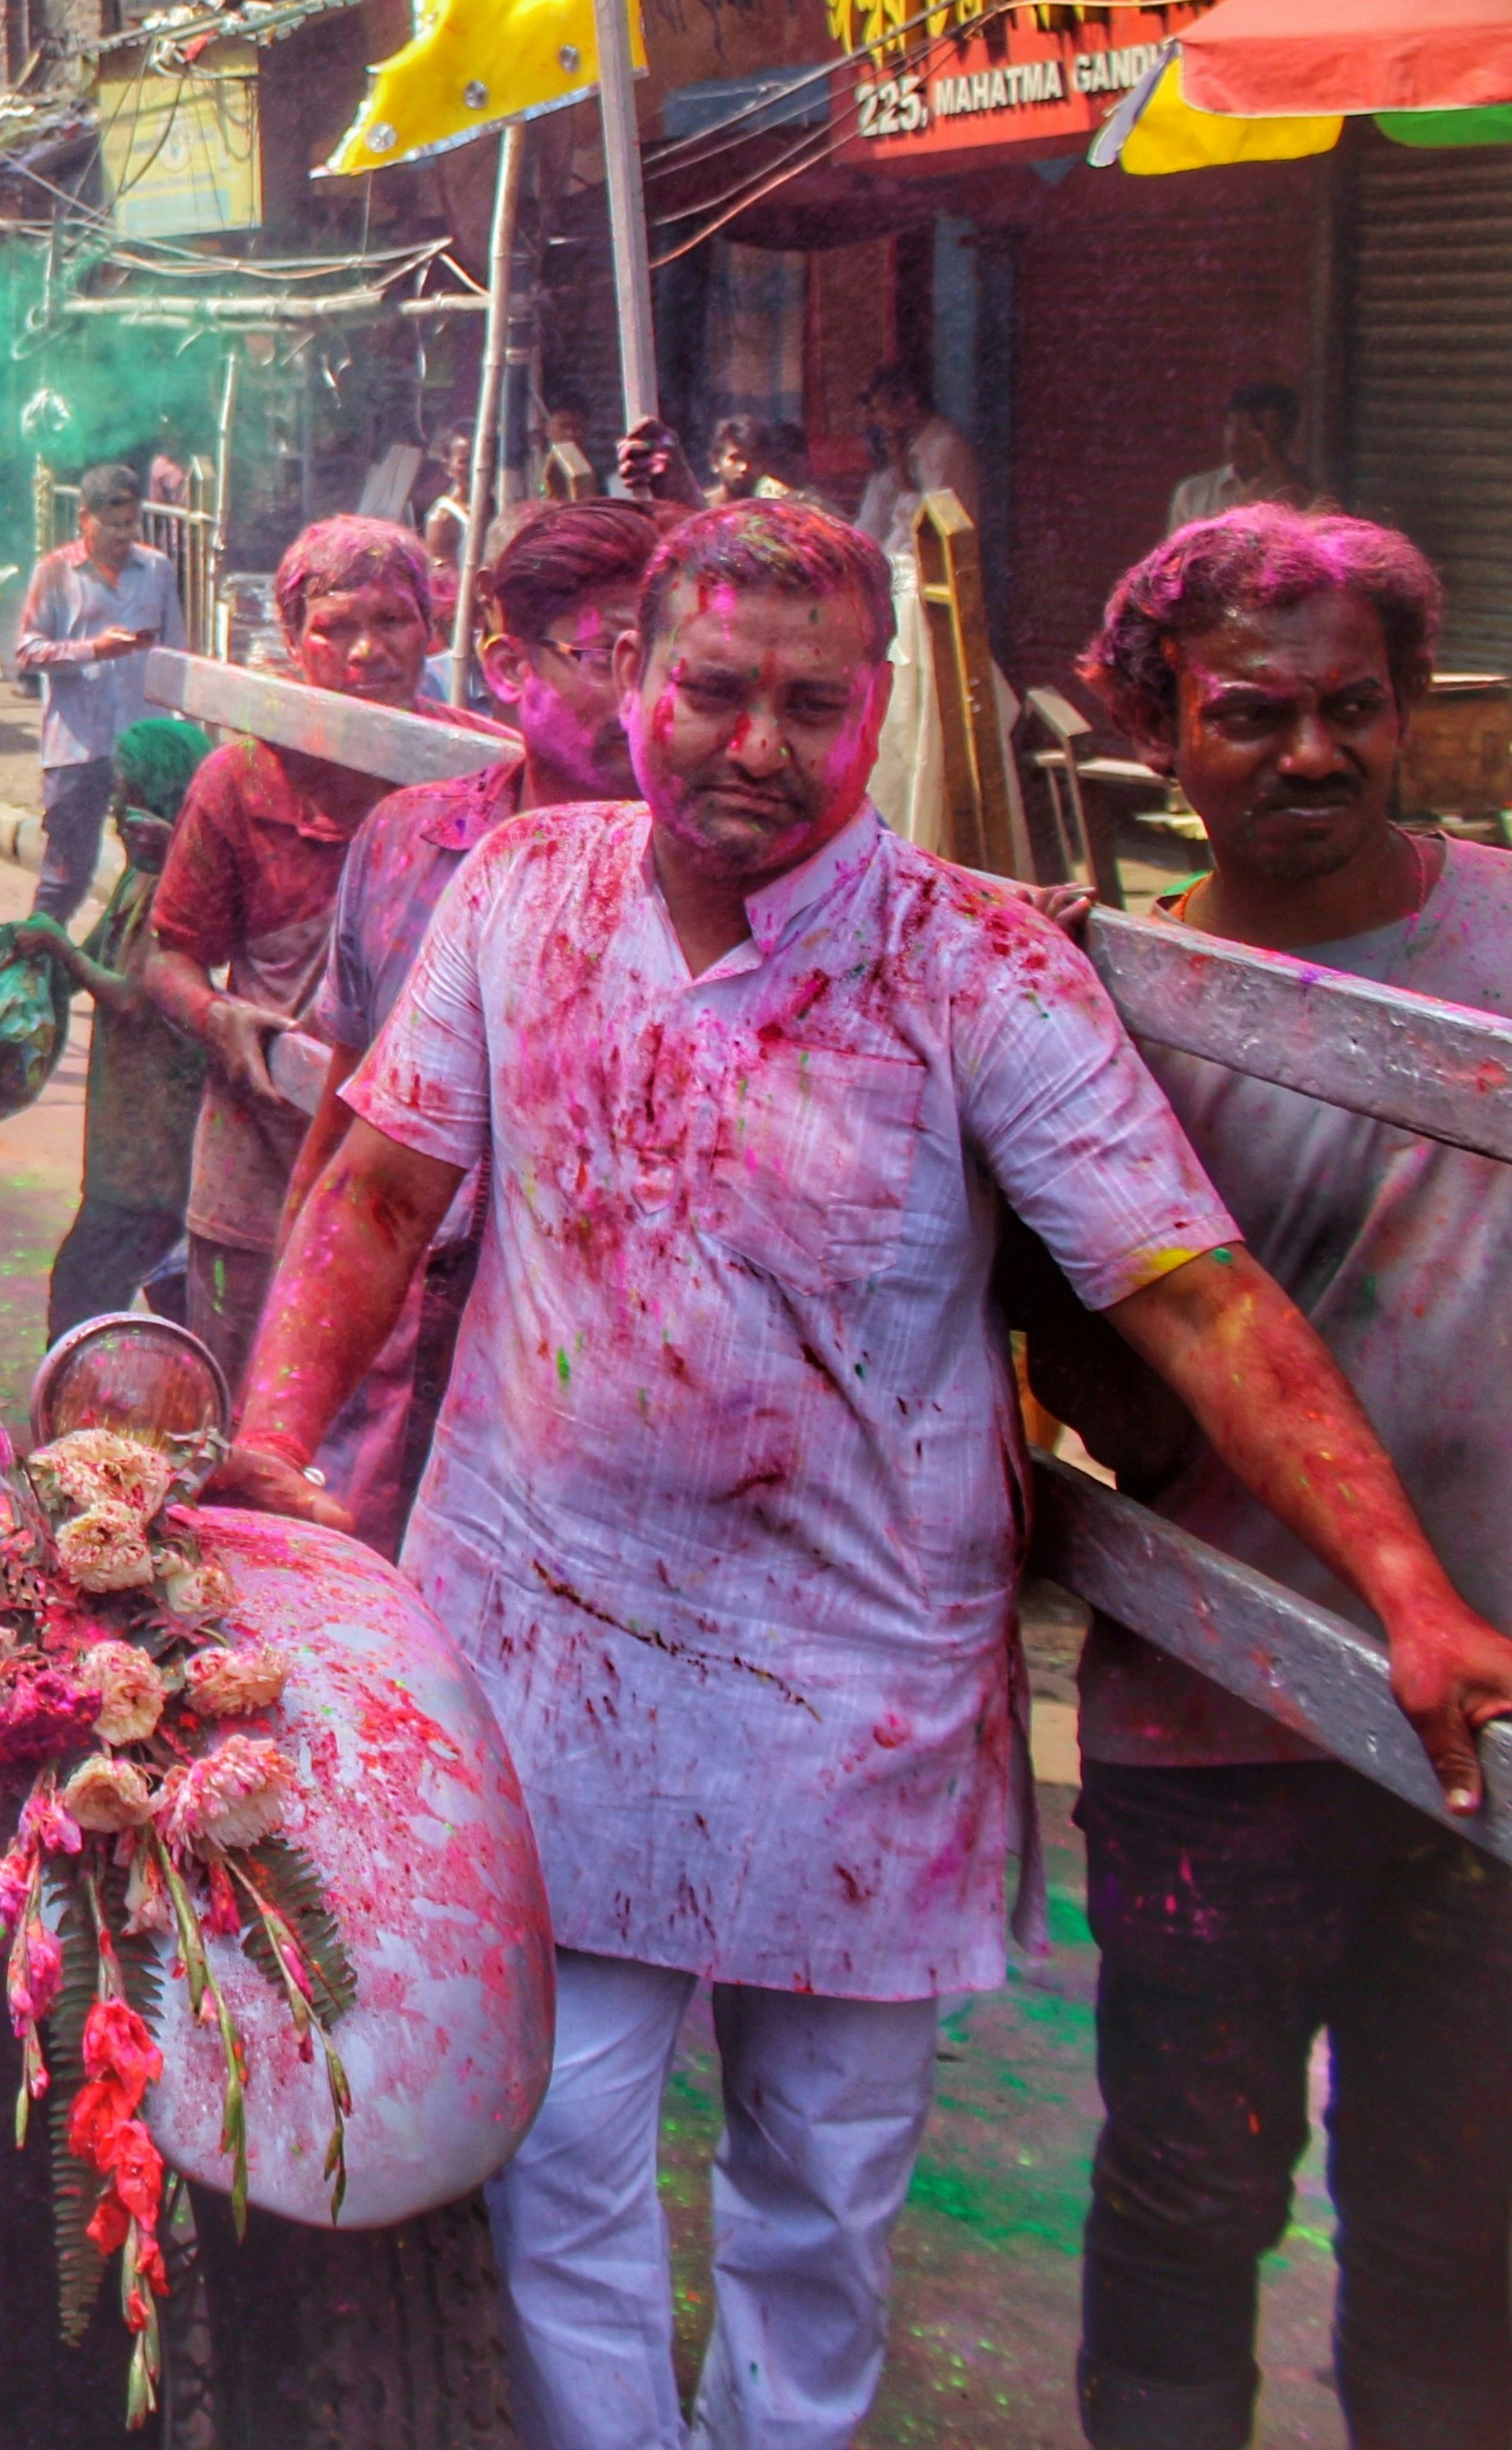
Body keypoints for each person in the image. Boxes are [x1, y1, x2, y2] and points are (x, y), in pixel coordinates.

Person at [217, 499, 1512, 2450]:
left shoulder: (976, 962)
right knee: (558, 2153)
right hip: (544, 1661)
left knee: (818, 2194)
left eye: (807, 706)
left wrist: (1407, 1590)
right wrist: (263, 1445)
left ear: (881, 708)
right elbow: (384, 1185)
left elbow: (1196, 1300)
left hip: (857, 1706)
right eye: (712, 690)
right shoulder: (518, 900)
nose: (753, 743)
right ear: (630, 682)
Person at [1033, 511, 1512, 2450]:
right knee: (1188, 2197)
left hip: (1493, 1726)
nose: (1312, 755)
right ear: (1160, 733)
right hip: (1218, 1713)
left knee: (1460, 2234)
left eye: (1354, 710)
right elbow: (1082, 1378)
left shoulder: (1505, 935)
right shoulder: (1097, 1006)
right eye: (1253, 715)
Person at [271, 495, 665, 1548]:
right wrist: (287, 1361)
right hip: (394, 1365)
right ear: (506, 668)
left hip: (590, 1410)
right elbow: (346, 1119)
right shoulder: (407, 846)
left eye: (663, 658)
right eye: (603, 654)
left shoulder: (719, 883)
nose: (644, 699)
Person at [145, 515, 435, 1372]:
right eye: (335, 627)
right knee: (243, 1418)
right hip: (261, 1159)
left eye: (391, 621)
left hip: (422, 1173)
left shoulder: (482, 769)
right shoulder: (238, 781)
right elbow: (169, 956)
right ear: (292, 642)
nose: (365, 652)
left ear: (430, 624)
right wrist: (219, 1019)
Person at [0, 713, 216, 1330]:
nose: (120, 817)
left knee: (85, 1285)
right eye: (119, 803)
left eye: (132, 802)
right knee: (161, 1288)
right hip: (123, 1143)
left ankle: (84, 1414)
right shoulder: (139, 875)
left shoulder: (179, 882)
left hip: (153, 1152)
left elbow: (132, 997)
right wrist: (35, 956)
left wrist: (60, 950)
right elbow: (88, 961)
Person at [6, 465, 182, 919]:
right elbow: (27, 651)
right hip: (77, 748)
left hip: (144, 745)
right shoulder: (55, 572)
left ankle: (122, 980)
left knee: (152, 874)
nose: (125, 535)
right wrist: (94, 650)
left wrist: (188, 738)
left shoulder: (157, 569)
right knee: (65, 878)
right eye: (114, 525)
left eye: (132, 524)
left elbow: (178, 656)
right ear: (85, 518)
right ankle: (37, 973)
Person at [851, 354, 980, 548]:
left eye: (882, 409)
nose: (877, 419)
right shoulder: (905, 446)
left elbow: (930, 530)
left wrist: (904, 478)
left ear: (909, 403)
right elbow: (875, 520)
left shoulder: (943, 450)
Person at [1164, 381, 1308, 532]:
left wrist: (1277, 460)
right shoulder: (1193, 494)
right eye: (1232, 424)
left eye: (1251, 428)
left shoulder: (1298, 490)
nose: (1235, 437)